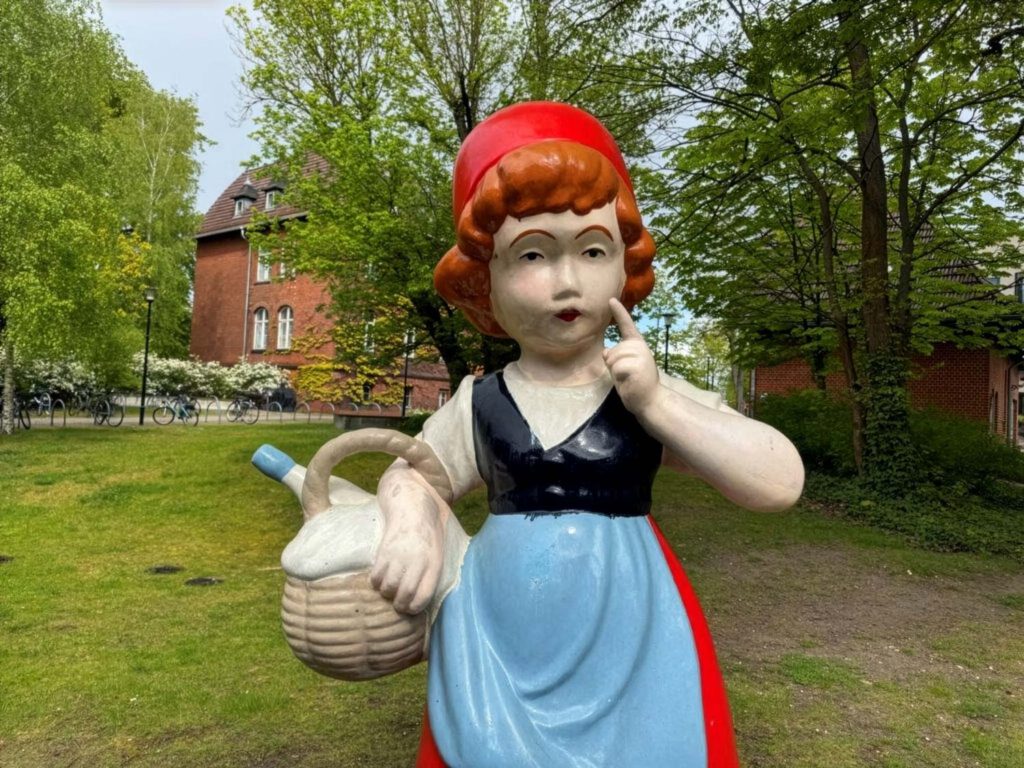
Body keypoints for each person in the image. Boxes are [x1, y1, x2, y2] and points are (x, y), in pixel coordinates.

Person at [369, 102, 805, 768]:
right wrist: (408, 524)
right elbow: (414, 475)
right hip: (498, 641)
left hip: (634, 639)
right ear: (484, 278)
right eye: (533, 254)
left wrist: (660, 405)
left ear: (623, 266)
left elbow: (779, 481)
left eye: (593, 250)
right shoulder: (480, 401)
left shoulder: (643, 387)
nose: (567, 282)